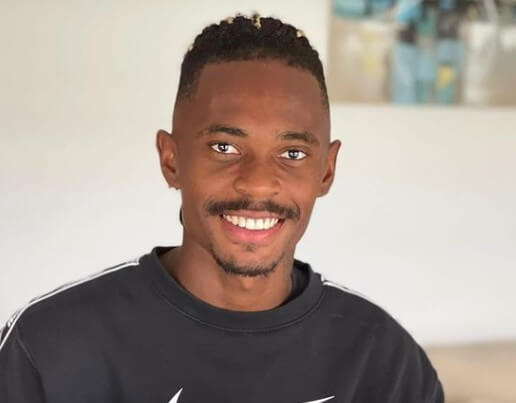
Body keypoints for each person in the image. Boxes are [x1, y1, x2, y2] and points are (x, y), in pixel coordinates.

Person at [0, 13, 444, 403]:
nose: (258, 182)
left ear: (326, 171)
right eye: (224, 147)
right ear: (171, 160)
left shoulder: (384, 363)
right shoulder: (47, 347)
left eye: (292, 153)